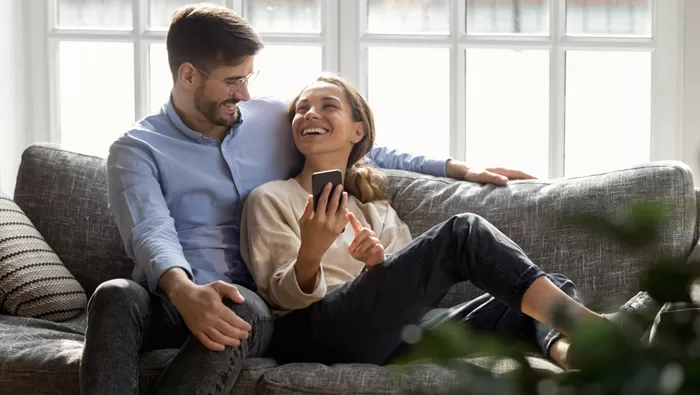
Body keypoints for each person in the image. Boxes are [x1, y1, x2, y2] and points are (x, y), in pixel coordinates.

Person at [79, 4, 535, 395]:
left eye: (248, 78)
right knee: (115, 294)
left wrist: (457, 168)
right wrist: (184, 292)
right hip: (170, 294)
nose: (245, 93)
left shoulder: (265, 118)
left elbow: (357, 142)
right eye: (233, 81)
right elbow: (149, 229)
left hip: (249, 298)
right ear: (188, 74)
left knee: (245, 312)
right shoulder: (136, 149)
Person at [240, 74, 605, 369]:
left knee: (540, 290)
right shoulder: (269, 198)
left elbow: (408, 289)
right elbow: (279, 298)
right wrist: (312, 253)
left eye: (327, 106)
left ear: (358, 131)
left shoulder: (375, 208)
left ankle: (568, 353)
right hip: (313, 334)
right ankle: (594, 329)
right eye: (301, 109)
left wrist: (375, 267)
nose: (309, 114)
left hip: (389, 337)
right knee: (462, 233)